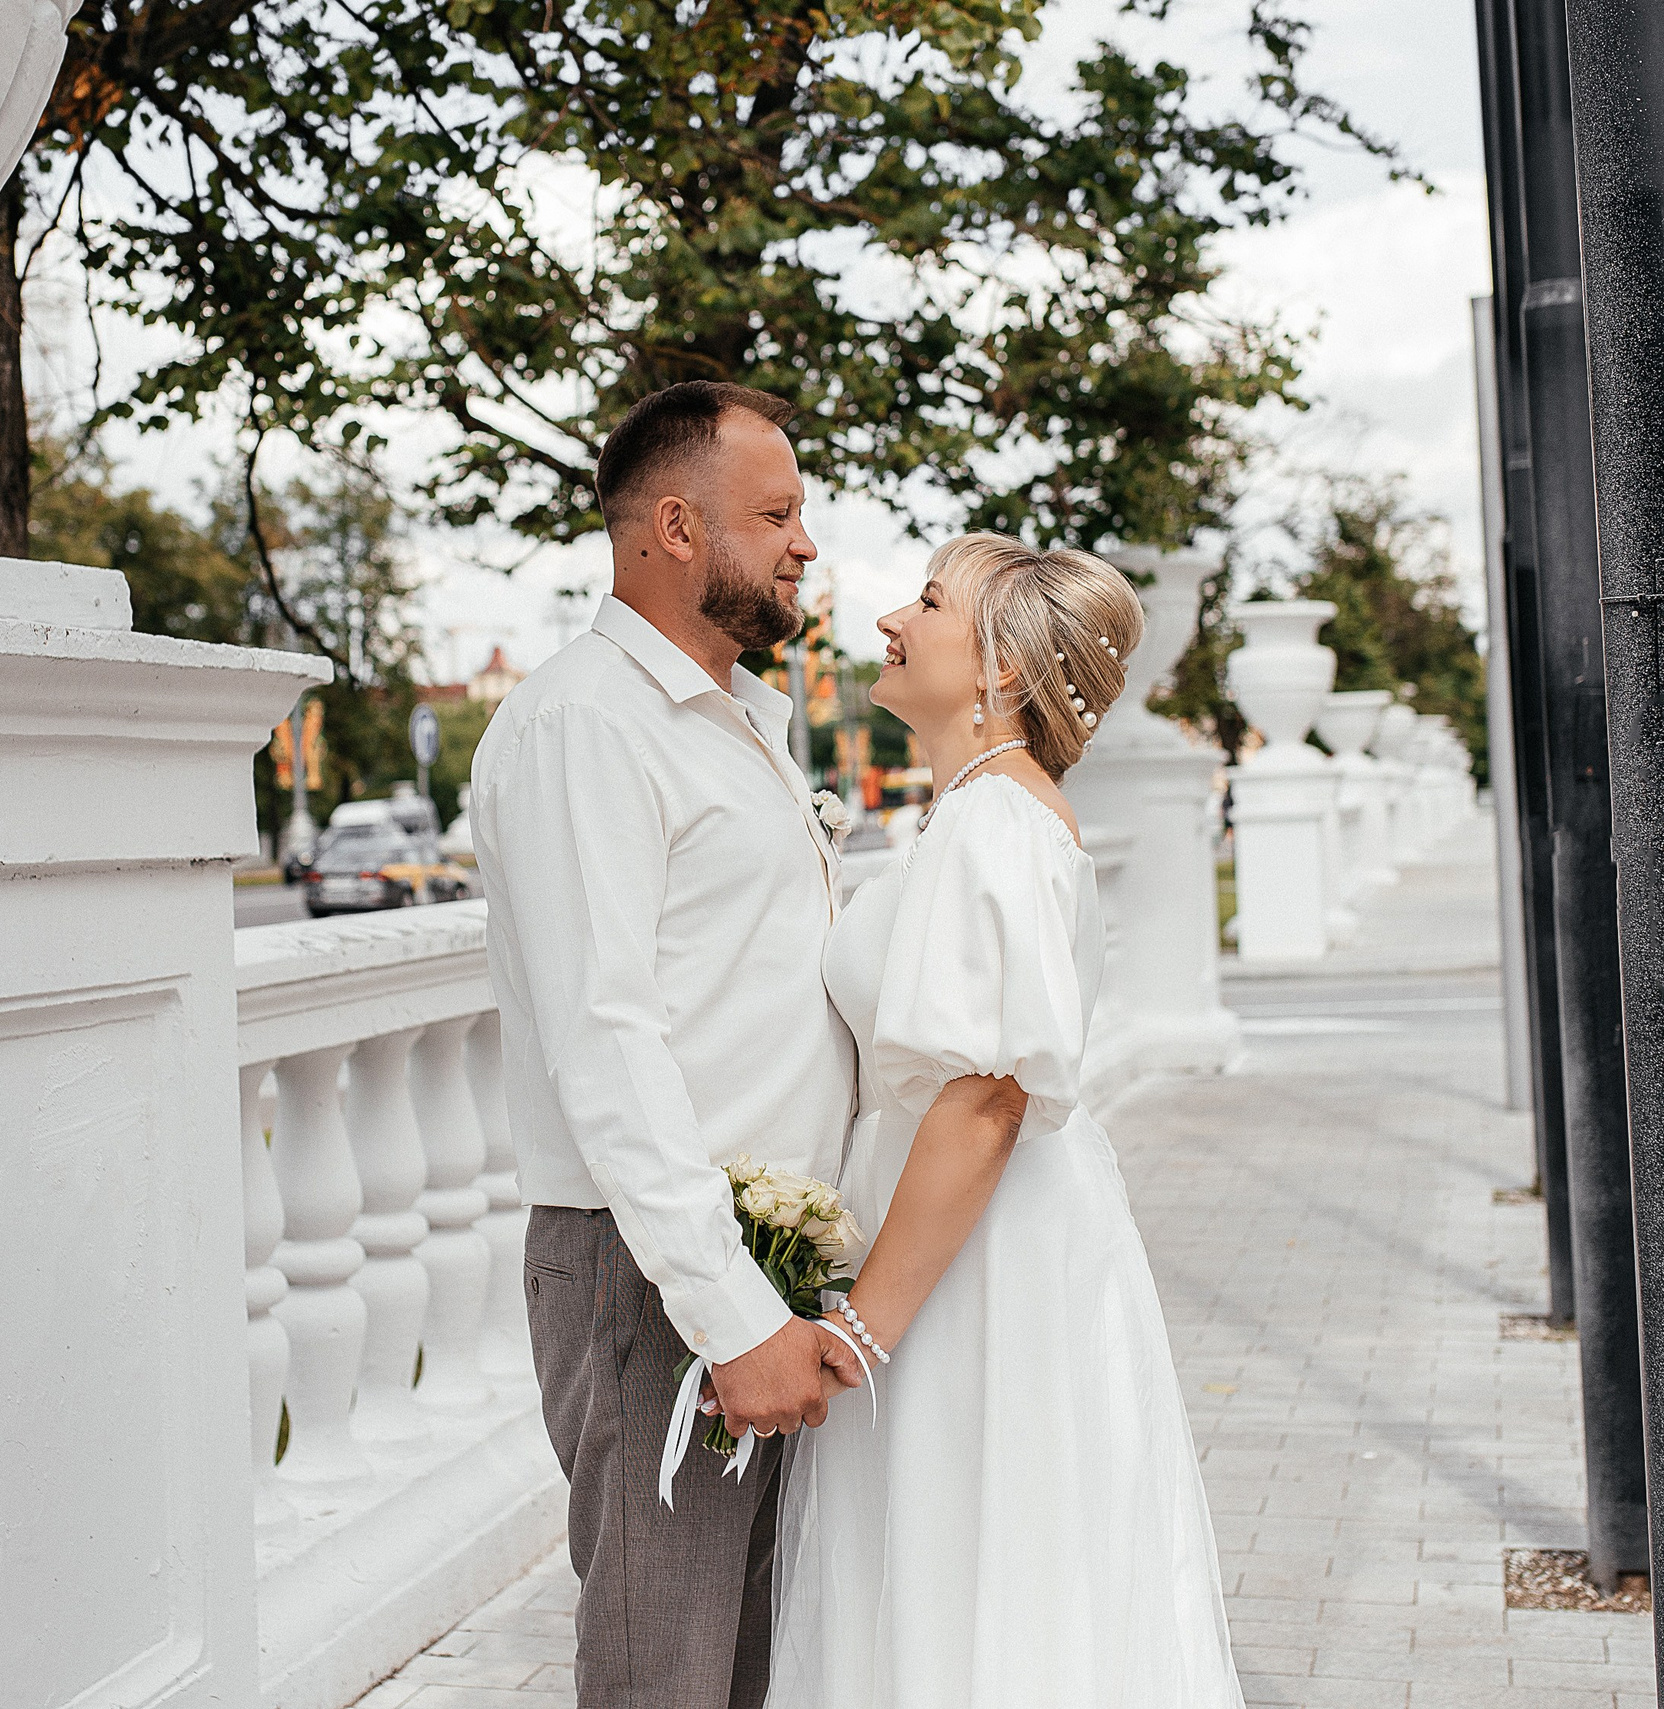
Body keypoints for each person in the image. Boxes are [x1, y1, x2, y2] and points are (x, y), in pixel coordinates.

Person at [767, 533, 1245, 1705]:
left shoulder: (997, 825)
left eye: (928, 602)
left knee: (978, 1559)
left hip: (970, 1263)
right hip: (959, 1244)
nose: (891, 618)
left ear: (1000, 672)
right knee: (961, 1561)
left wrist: (861, 1331)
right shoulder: (971, 816)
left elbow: (983, 1098)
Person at [470, 380, 863, 1708]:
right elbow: (606, 1036)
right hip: (654, 1270)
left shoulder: (745, 718)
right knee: (666, 1676)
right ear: (678, 529)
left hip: (757, 1259)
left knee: (748, 1672)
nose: (807, 542)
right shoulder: (588, 720)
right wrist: (729, 1308)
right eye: (779, 513)